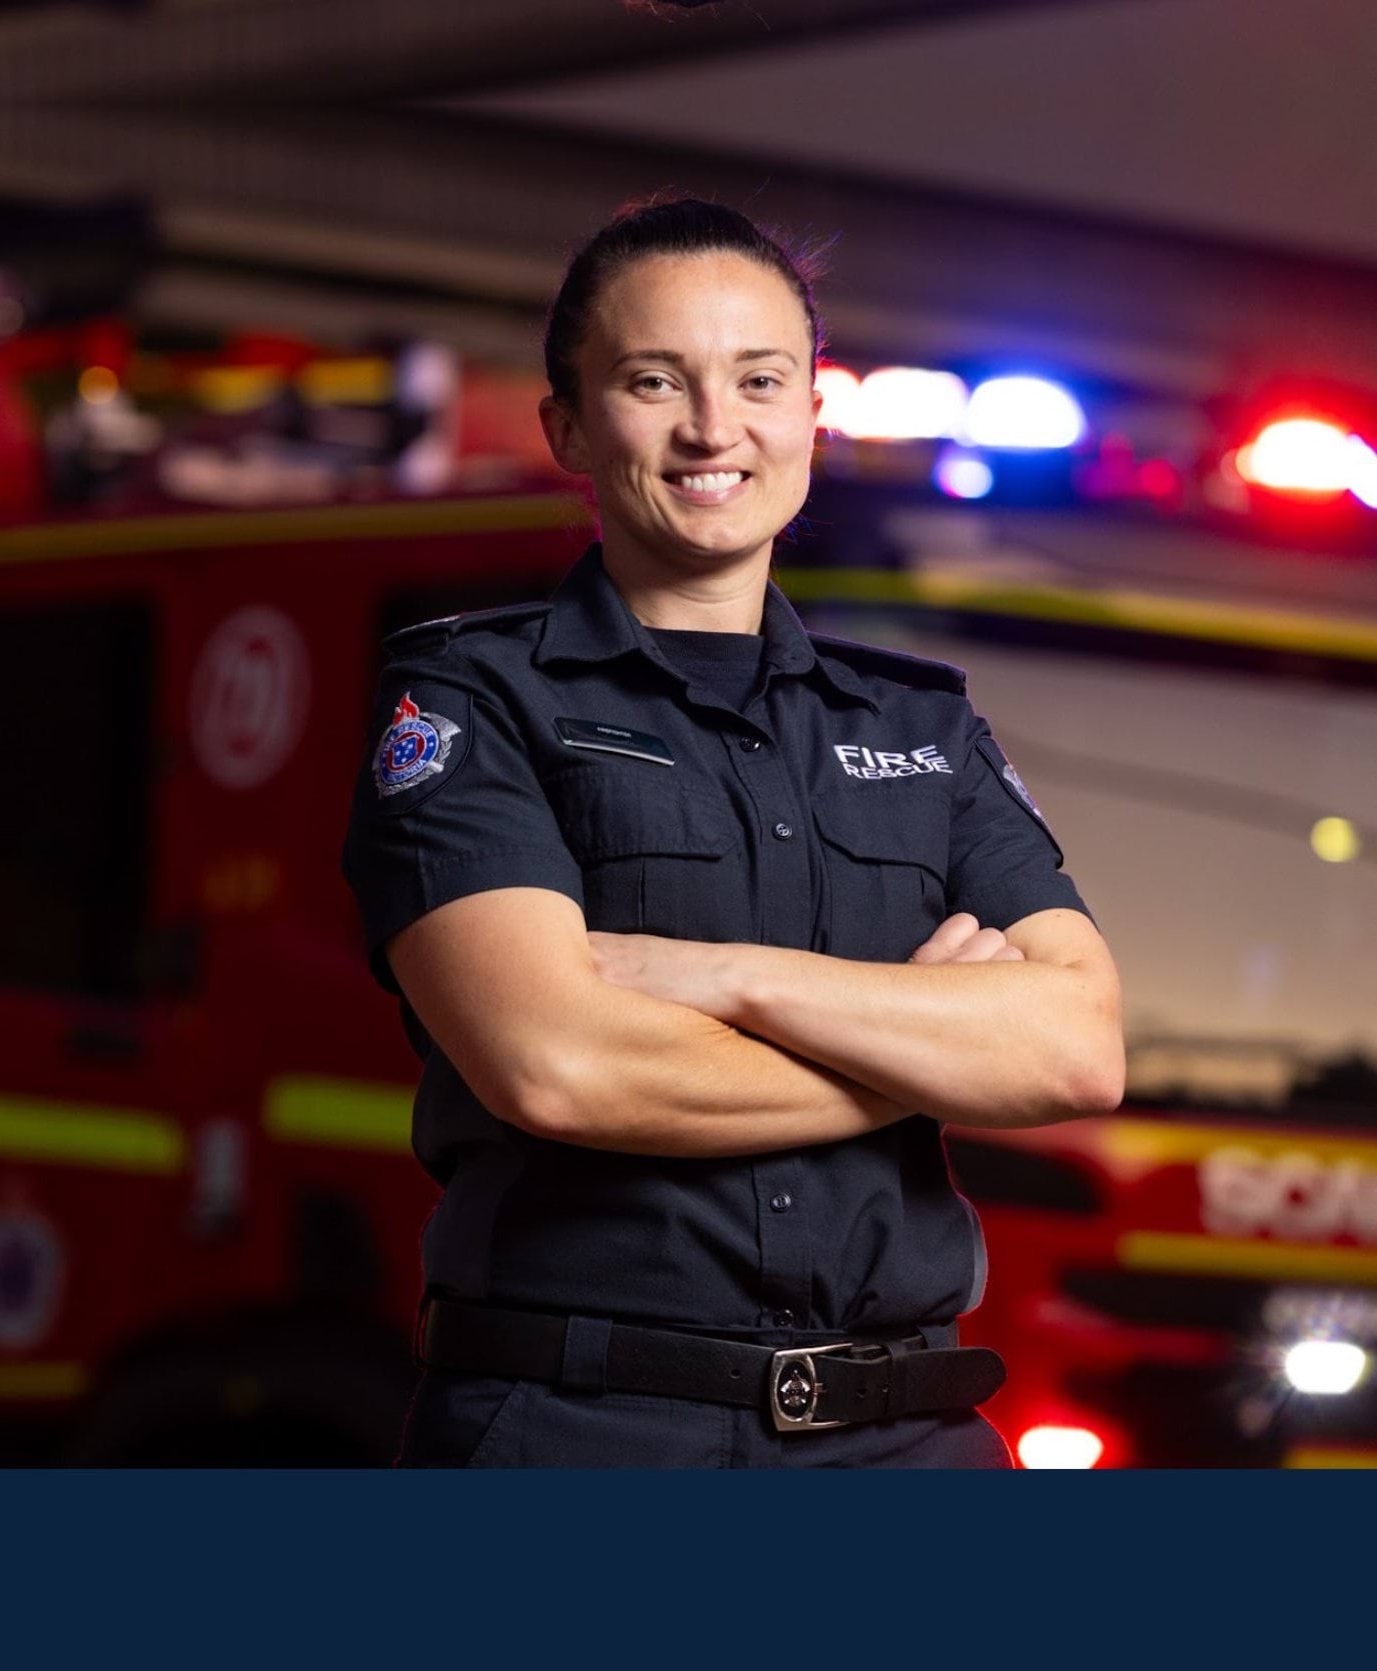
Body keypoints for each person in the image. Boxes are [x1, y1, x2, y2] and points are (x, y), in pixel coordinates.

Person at [339, 196, 1125, 1468]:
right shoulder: (469, 703)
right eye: (655, 380)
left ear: (807, 414)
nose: (714, 428)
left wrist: (724, 978)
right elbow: (560, 1070)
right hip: (586, 1435)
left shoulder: (920, 727)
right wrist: (922, 1045)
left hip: (911, 1443)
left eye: (759, 379)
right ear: (567, 426)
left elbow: (1077, 1051)